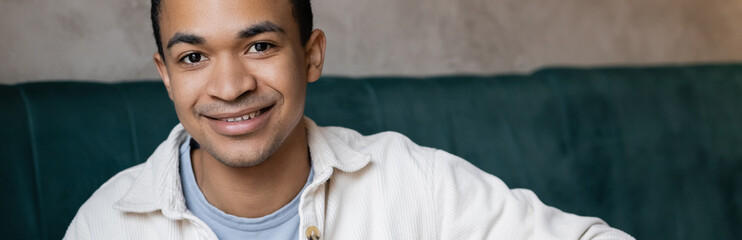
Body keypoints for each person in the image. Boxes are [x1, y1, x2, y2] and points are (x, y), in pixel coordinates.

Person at [64, 0, 634, 239]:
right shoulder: (110, 223)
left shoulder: (413, 180)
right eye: (194, 57)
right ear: (166, 74)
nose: (232, 86)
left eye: (260, 46)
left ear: (311, 54)